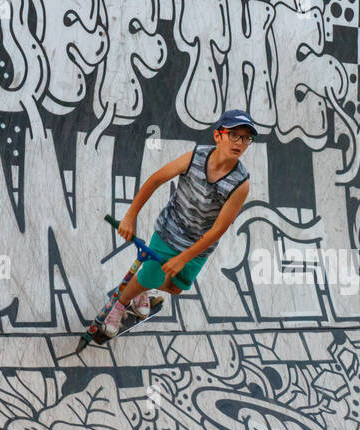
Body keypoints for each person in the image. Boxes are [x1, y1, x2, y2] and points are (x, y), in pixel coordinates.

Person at [101, 109, 255, 337]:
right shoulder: (195, 157)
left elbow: (219, 229)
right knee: (151, 276)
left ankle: (141, 288)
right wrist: (130, 216)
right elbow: (156, 180)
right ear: (217, 135)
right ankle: (119, 304)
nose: (239, 143)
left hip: (200, 244)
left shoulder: (240, 183)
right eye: (233, 134)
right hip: (170, 230)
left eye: (245, 138)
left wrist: (184, 258)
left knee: (176, 287)